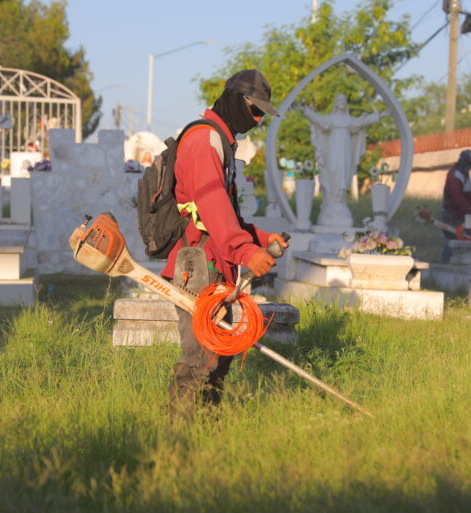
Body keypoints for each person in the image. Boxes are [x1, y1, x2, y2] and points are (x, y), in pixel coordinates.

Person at [159, 69, 287, 416]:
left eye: (263, 113)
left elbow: (224, 212)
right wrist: (246, 250)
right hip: (198, 265)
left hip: (214, 260)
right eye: (254, 110)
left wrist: (260, 238)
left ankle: (208, 429)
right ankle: (174, 436)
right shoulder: (204, 142)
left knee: (218, 355)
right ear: (234, 100)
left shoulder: (219, 139)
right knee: (200, 357)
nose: (258, 119)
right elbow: (212, 205)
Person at [294, 94, 383, 227]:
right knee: (333, 170)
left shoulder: (348, 119)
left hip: (345, 151)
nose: (341, 102)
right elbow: (318, 119)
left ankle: (339, 201)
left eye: (343, 100)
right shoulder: (331, 119)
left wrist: (378, 115)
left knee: (343, 173)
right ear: (336, 103)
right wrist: (305, 110)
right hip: (333, 149)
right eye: (339, 100)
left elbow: (362, 121)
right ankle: (331, 202)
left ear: (345, 104)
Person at [440, 149, 471, 262]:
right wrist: (470, 211)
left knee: (464, 241)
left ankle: (459, 264)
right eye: (469, 163)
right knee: (452, 242)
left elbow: (467, 195)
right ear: (463, 162)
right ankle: (445, 266)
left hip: (460, 214)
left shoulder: (464, 175)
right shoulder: (454, 176)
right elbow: (457, 198)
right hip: (451, 215)